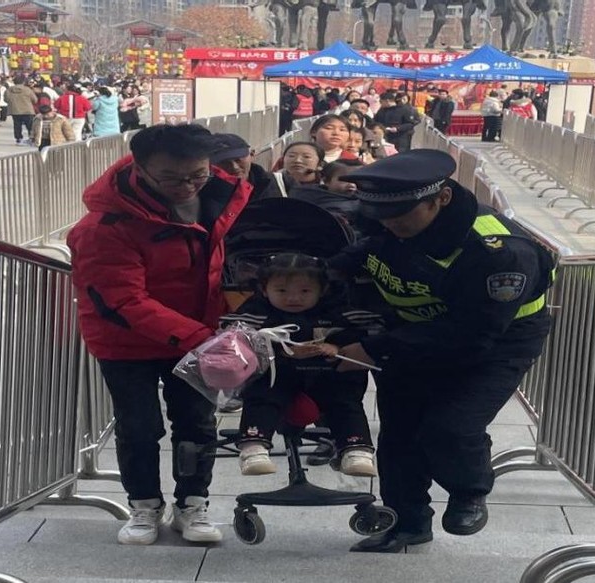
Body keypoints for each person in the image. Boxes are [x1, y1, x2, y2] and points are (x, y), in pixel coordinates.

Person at [327, 149, 554, 553]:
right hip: (408, 329)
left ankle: (469, 490)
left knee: (451, 426)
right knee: (400, 431)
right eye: (383, 216)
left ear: (441, 198)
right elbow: (369, 248)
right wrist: (327, 271)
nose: (391, 225)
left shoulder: (498, 251)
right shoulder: (388, 219)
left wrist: (373, 348)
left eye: (401, 216)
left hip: (496, 341)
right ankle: (407, 522)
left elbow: (472, 333)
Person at [67, 124, 253, 546]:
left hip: (197, 333)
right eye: (171, 178)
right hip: (125, 340)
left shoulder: (220, 194)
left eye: (197, 175)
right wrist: (201, 337)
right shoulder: (105, 224)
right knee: (139, 425)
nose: (187, 186)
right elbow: (123, 300)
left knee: (196, 421)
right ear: (141, 168)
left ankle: (192, 503)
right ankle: (144, 505)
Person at [221, 254, 381, 478]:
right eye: (282, 291)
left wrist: (338, 347)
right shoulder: (256, 312)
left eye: (305, 291)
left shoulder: (339, 310)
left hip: (327, 375)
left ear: (322, 290)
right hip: (278, 374)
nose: (293, 298)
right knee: (261, 396)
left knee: (345, 402)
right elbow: (233, 339)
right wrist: (278, 349)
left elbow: (367, 332)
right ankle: (253, 447)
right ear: (264, 290)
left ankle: (356, 449)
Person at [211, 133, 283, 200]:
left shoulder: (277, 184)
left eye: (238, 160)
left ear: (252, 155)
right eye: (225, 163)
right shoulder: (208, 191)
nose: (234, 167)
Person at [6, 76, 38, 145]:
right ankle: (31, 138)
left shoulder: (9, 90)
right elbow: (35, 100)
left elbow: (6, 99)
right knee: (30, 126)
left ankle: (18, 139)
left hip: (15, 110)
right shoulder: (27, 89)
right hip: (28, 110)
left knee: (17, 125)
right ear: (23, 82)